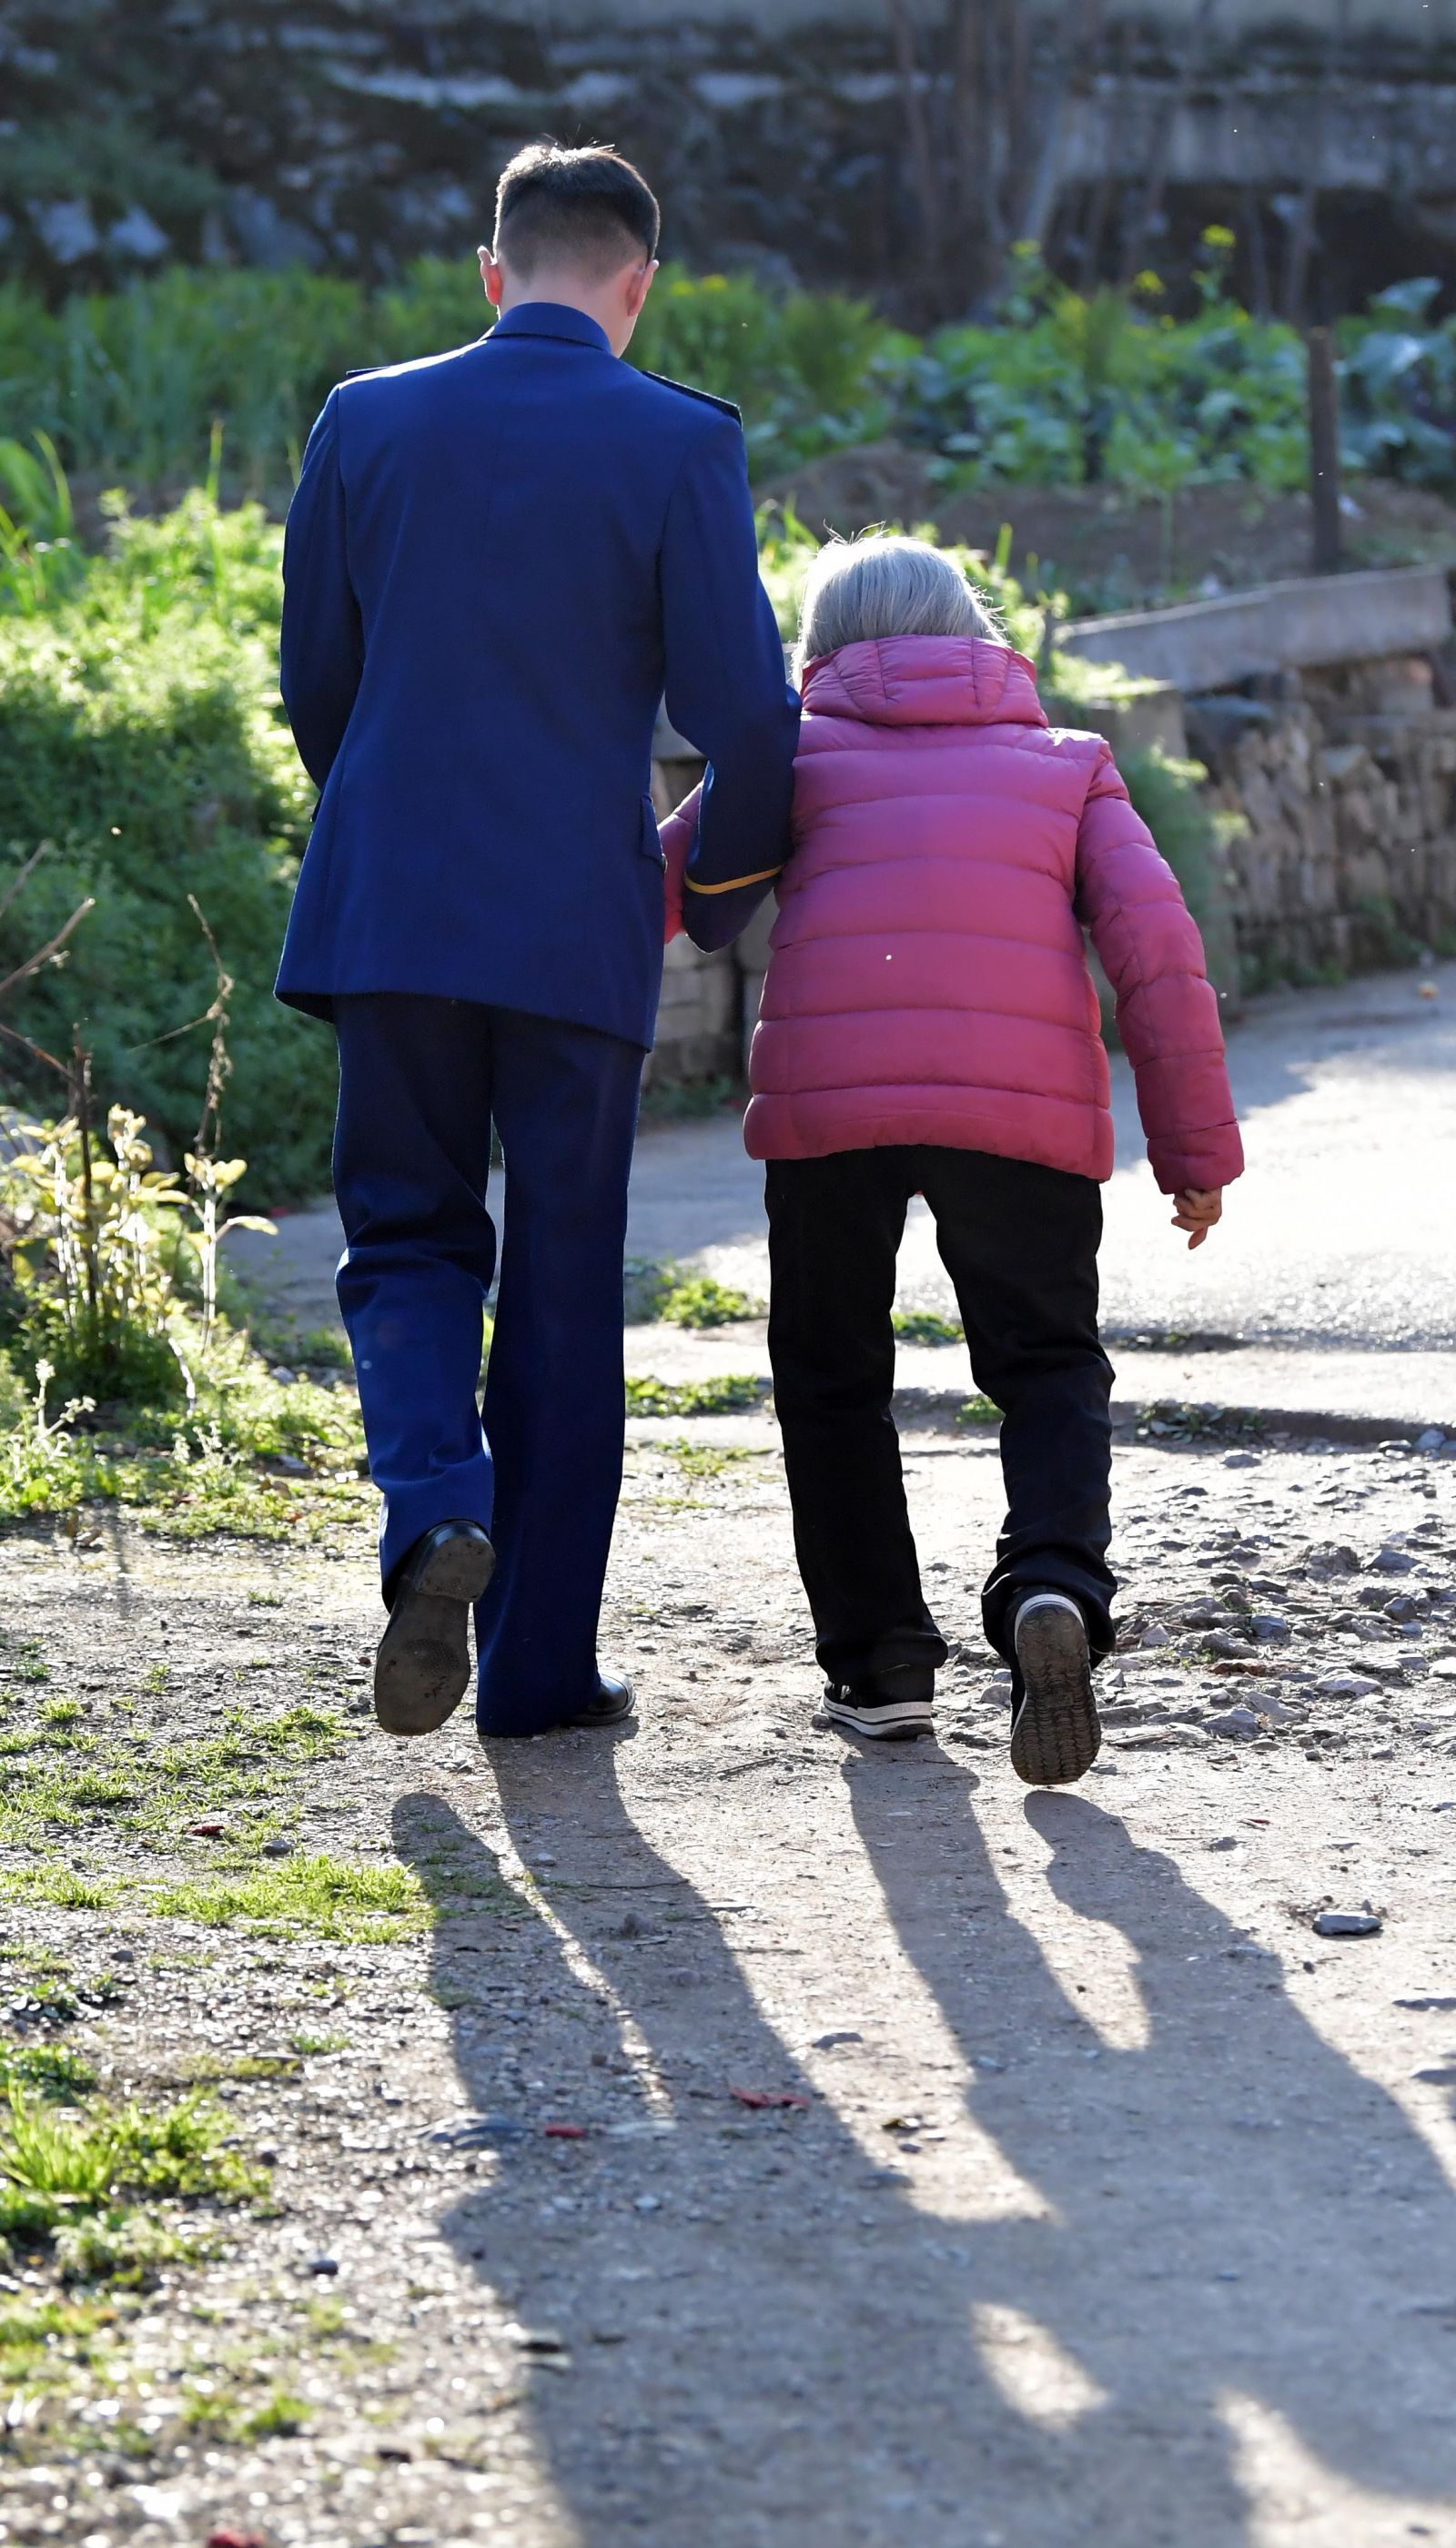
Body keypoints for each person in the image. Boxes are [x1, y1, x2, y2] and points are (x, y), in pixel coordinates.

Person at [277, 142, 798, 1739]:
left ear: (491, 273)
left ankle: (437, 1505)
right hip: (575, 922)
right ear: (638, 288)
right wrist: (712, 891)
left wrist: (392, 829)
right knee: (567, 1286)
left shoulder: (364, 420)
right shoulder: (681, 441)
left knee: (405, 1238)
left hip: (392, 908)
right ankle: (539, 1671)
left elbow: (317, 686)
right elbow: (748, 723)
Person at [663, 534, 1242, 1787]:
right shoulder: (1069, 764)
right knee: (1046, 1365)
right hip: (1022, 1110)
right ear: (977, 634)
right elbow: (1158, 954)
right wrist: (1193, 1150)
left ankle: (881, 1671)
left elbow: (655, 890)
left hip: (831, 1110)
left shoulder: (787, 753)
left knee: (832, 1379)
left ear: (820, 648)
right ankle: (1051, 1585)